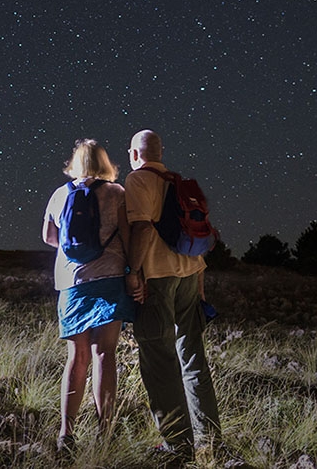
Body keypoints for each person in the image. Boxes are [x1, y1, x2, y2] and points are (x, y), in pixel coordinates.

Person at [124, 129, 221, 464]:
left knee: (159, 361)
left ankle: (178, 445)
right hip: (190, 274)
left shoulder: (138, 181)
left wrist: (133, 272)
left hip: (158, 276)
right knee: (193, 357)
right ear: (160, 152)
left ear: (134, 153)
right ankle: (211, 438)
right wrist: (200, 284)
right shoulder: (175, 182)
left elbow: (142, 228)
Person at [42, 138, 136, 453]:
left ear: (75, 163)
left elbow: (48, 237)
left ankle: (66, 434)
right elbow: (126, 233)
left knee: (76, 357)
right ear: (104, 163)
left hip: (71, 283)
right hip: (109, 279)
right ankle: (104, 434)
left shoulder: (58, 195)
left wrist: (75, 252)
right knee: (104, 354)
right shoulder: (117, 193)